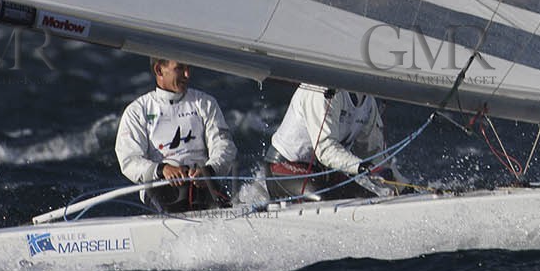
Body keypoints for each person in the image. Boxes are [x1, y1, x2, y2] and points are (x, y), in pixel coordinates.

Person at [115, 58, 236, 213]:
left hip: (203, 181)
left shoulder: (205, 103)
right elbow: (129, 160)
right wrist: (162, 169)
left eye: (188, 68)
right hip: (160, 185)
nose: (187, 74)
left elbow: (225, 145)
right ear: (159, 70)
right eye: (179, 68)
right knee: (174, 214)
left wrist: (210, 170)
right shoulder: (137, 111)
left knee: (227, 213)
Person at [265, 84, 395, 201]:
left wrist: (399, 186)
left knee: (370, 201)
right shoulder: (321, 89)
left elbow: (374, 155)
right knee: (326, 202)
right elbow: (325, 149)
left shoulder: (368, 102)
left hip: (323, 171)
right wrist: (361, 167)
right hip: (285, 166)